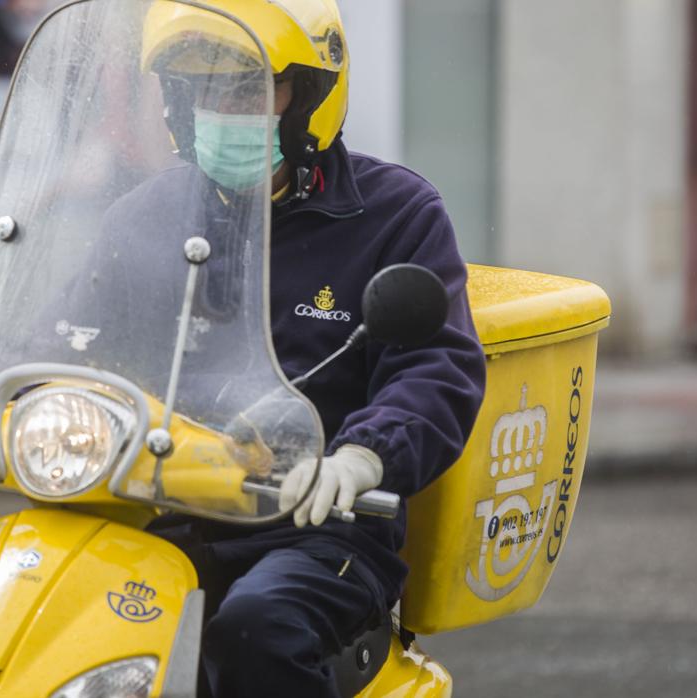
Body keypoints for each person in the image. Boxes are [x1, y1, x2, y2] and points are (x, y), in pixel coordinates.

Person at [128, 2, 488, 696]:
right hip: (160, 510)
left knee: (257, 628)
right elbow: (68, 336)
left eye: (247, 87)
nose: (219, 108)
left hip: (319, 527)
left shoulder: (396, 215)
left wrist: (361, 455)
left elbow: (437, 366)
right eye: (199, 87)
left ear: (311, 96)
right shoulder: (147, 217)